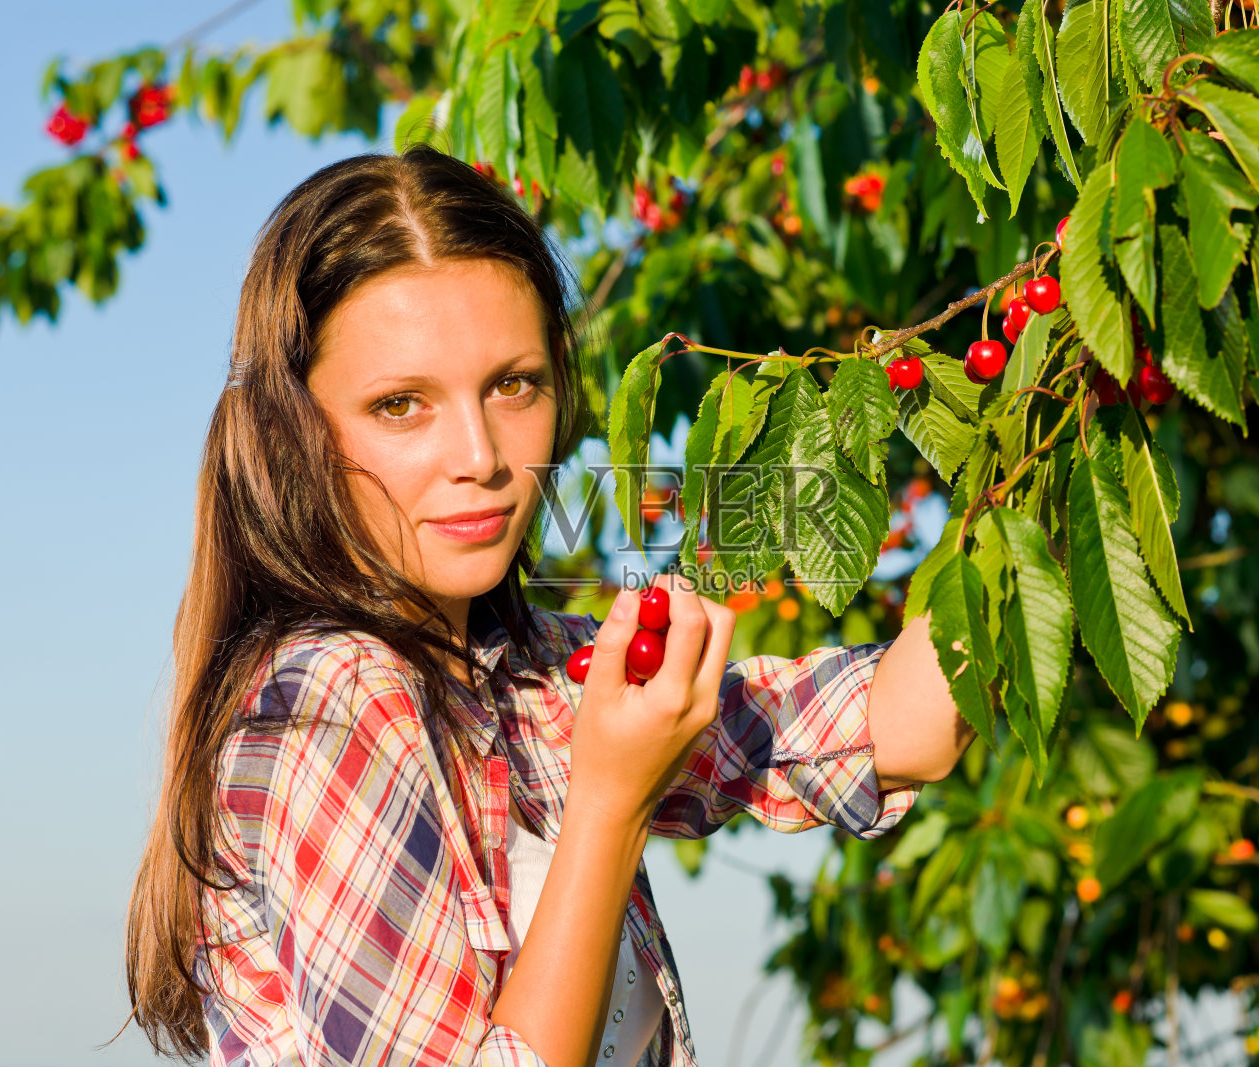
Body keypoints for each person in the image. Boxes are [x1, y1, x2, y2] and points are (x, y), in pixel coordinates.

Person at [120, 143, 976, 1067]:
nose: (481, 453)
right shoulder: (330, 699)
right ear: (296, 432)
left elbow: (895, 729)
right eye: (401, 404)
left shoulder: (530, 683)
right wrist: (609, 800)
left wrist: (1046, 452)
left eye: (513, 385)